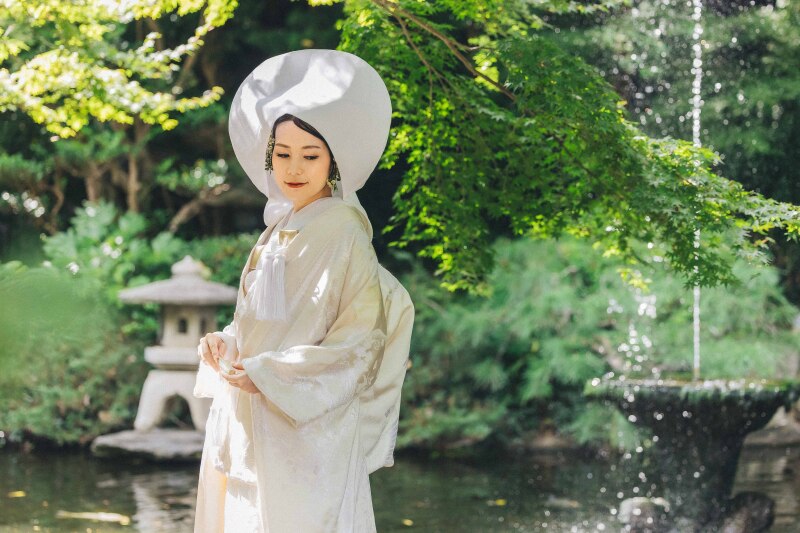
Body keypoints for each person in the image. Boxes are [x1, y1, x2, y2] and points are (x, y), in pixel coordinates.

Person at [193, 49, 414, 532]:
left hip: (307, 426)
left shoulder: (343, 232)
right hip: (255, 409)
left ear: (333, 161)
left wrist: (271, 374)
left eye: (310, 155)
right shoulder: (277, 229)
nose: (294, 167)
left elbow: (360, 342)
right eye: (283, 154)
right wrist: (227, 343)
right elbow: (263, 323)